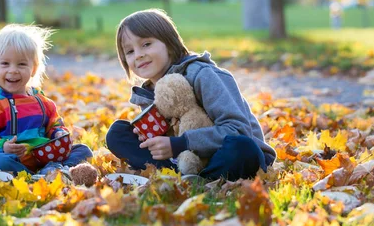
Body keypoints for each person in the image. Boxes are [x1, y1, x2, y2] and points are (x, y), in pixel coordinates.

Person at [106, 9, 276, 181]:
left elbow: (239, 131)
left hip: (233, 156)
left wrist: (180, 144)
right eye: (129, 51)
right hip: (186, 160)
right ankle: (176, 176)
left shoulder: (203, 75)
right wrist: (154, 141)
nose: (139, 55)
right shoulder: (148, 94)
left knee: (242, 147)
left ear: (169, 44)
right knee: (117, 133)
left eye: (146, 44)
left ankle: (200, 179)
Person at [0, 24, 92, 175]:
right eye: (5, 63)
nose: (13, 70)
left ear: (33, 69)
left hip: (47, 158)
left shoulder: (43, 102)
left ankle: (52, 172)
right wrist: (2, 146)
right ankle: (41, 176)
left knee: (83, 151)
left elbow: (55, 125)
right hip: (16, 163)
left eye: (22, 64)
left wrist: (58, 133)